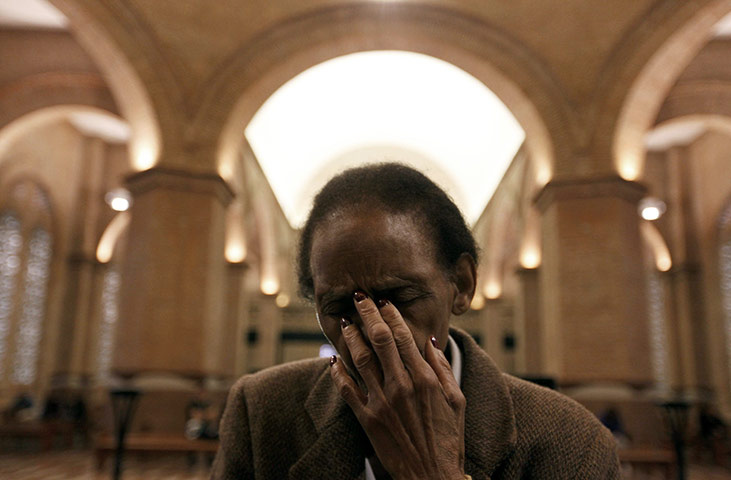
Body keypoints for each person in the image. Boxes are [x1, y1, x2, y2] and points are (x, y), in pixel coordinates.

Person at [212, 163, 620, 479]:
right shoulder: (263, 412)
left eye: (398, 298)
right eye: (339, 306)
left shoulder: (569, 441)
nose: (374, 332)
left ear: (460, 285)